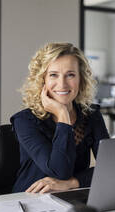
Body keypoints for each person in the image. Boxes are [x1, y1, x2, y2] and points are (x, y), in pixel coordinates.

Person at [10, 42, 109, 193]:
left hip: (74, 196)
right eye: (53, 75)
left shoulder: (91, 114)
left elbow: (110, 167)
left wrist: (73, 183)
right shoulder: (24, 121)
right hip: (30, 200)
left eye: (70, 75)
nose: (62, 84)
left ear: (80, 79)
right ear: (42, 80)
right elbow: (59, 171)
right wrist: (63, 115)